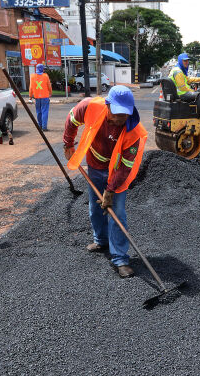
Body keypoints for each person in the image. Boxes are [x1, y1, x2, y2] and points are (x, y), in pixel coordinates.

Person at [63, 85, 148, 279]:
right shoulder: (90, 106)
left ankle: (120, 259)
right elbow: (72, 119)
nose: (119, 119)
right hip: (95, 166)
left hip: (116, 174)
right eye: (116, 113)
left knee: (117, 212)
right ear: (107, 105)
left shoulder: (134, 132)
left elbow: (125, 167)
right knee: (95, 207)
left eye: (124, 115)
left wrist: (110, 190)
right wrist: (68, 143)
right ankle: (101, 240)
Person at [167, 52, 200, 120]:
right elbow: (182, 88)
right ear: (180, 61)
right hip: (181, 94)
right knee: (198, 95)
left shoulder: (177, 69)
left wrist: (199, 79)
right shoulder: (178, 72)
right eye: (184, 61)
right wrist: (193, 91)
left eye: (187, 61)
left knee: (196, 94)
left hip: (177, 93)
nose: (187, 62)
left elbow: (187, 79)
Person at [30, 64, 52, 130]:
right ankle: (44, 127)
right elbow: (49, 85)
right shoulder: (45, 76)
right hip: (45, 96)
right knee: (44, 111)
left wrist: (30, 96)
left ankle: (40, 126)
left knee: (38, 112)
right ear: (42, 69)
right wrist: (50, 93)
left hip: (36, 97)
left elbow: (31, 87)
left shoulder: (32, 76)